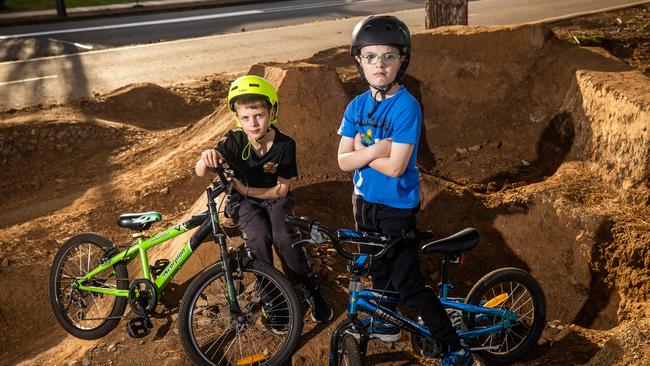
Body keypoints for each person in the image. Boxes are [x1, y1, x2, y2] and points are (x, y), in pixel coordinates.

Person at [336, 15, 473, 366]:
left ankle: (455, 348)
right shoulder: (356, 106)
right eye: (370, 57)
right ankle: (387, 322)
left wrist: (361, 157)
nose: (378, 64)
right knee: (377, 270)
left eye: (388, 56)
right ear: (358, 61)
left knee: (407, 282)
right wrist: (376, 150)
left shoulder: (406, 106)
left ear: (402, 60)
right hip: (364, 204)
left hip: (396, 208)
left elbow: (397, 167)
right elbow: (342, 161)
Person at [196, 75, 333, 328]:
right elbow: (200, 172)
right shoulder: (233, 141)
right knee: (258, 238)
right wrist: (206, 157)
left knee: (284, 238)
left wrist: (245, 187)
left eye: (259, 115)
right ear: (237, 118)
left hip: (274, 198)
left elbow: (281, 191)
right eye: (246, 118)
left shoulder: (285, 145)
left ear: (271, 111)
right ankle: (272, 300)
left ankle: (311, 290)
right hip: (243, 203)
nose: (253, 123)